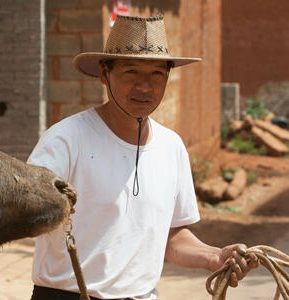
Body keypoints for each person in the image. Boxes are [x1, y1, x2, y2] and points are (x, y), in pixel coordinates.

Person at [28, 15, 258, 300]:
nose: (145, 87)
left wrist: (214, 257)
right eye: (131, 72)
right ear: (104, 74)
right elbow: (28, 211)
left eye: (156, 74)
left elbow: (171, 237)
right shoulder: (65, 140)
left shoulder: (171, 147)